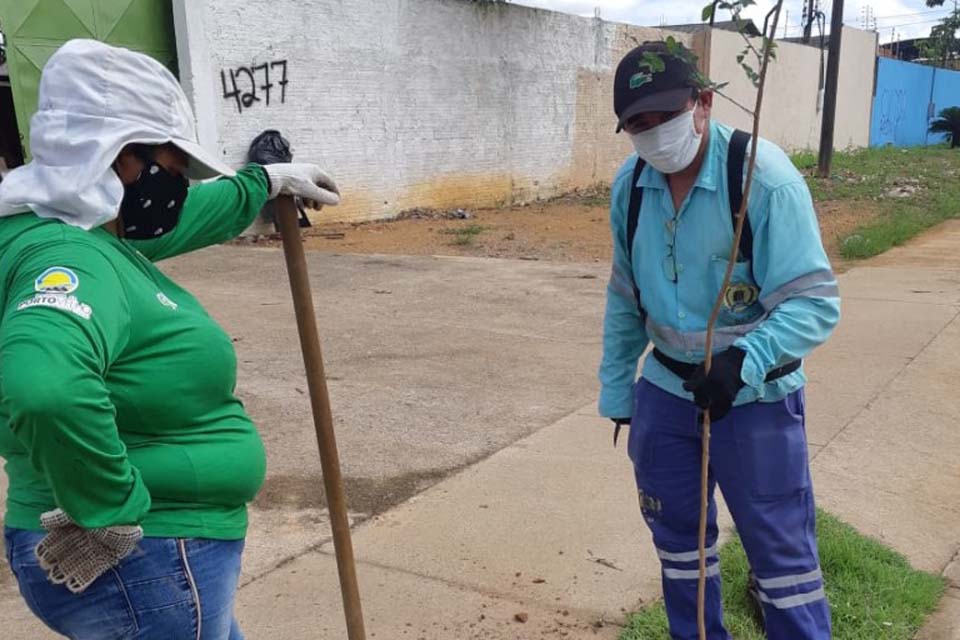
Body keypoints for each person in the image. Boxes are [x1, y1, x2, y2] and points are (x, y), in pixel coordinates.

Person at [0, 39, 340, 639]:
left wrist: (263, 183)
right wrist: (108, 512)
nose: (178, 184)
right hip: (146, 558)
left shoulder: (60, 227)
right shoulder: (70, 255)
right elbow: (44, 387)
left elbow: (177, 221)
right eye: (174, 165)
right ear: (121, 156)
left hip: (158, 565)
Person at [599, 41, 840, 639]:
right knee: (679, 550)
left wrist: (745, 361)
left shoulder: (764, 180)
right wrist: (618, 391)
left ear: (703, 102)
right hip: (665, 393)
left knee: (782, 561)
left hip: (754, 401)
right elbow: (624, 297)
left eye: (666, 116)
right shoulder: (630, 188)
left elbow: (815, 303)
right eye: (638, 124)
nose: (654, 134)